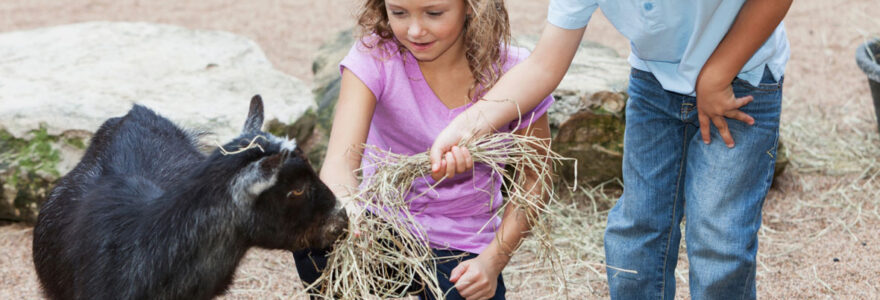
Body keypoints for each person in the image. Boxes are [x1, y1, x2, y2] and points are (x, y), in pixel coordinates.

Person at [428, 0, 793, 299]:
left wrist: (717, 73)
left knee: (719, 239)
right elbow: (543, 64)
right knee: (637, 231)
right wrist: (466, 126)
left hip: (740, 79)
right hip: (654, 81)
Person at [292, 0, 554, 299]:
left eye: (434, 13)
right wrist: (347, 206)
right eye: (399, 13)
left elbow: (536, 180)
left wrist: (492, 261)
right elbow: (340, 160)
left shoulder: (516, 74)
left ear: (471, 6)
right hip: (378, 226)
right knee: (311, 227)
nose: (415, 30)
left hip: (460, 243)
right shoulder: (375, 56)